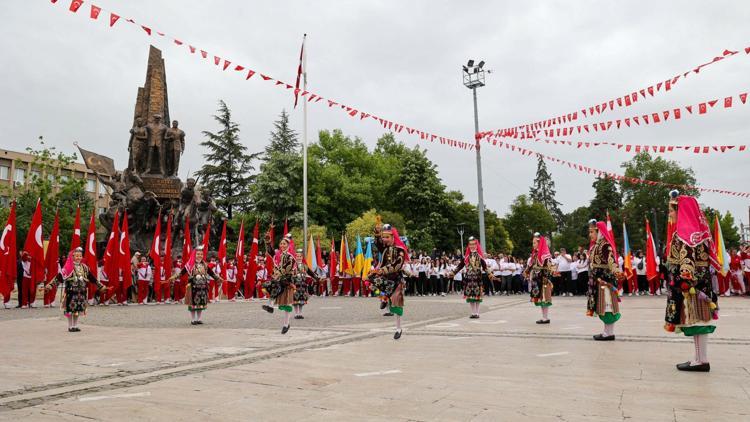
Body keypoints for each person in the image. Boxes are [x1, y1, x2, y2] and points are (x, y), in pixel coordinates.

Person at [664, 191, 719, 372]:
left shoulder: (686, 233)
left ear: (681, 211)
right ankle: (699, 358)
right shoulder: (695, 231)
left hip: (692, 286)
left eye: (672, 210)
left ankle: (701, 360)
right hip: (699, 284)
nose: (670, 214)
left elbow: (687, 258)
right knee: (697, 321)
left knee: (697, 321)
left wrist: (685, 275)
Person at [44, 248, 109, 332]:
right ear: (73, 256)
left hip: (81, 292)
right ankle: (70, 326)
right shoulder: (68, 267)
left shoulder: (85, 267)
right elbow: (59, 277)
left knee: (78, 309)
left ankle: (75, 325)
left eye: (80, 256)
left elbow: (92, 278)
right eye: (77, 256)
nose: (78, 257)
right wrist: (50, 285)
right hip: (71, 292)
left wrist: (100, 286)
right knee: (70, 309)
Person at [586, 220, 623, 341]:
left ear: (599, 232)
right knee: (603, 307)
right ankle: (607, 332)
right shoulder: (596, 245)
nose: (590, 234)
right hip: (598, 282)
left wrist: (617, 271)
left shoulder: (605, 245)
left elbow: (611, 261)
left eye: (592, 232)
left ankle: (609, 333)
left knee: (607, 307)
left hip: (605, 282)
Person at [370, 223, 408, 340]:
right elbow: (377, 244)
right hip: (386, 278)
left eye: (387, 237)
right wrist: (376, 233)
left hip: (396, 279)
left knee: (397, 305)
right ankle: (385, 296)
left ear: (392, 237)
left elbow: (397, 265)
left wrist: (382, 270)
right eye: (383, 237)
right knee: (369, 278)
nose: (384, 239)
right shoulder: (386, 249)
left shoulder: (400, 250)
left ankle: (398, 328)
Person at [169, 245, 224, 325]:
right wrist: (174, 277)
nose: (200, 256)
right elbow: (182, 272)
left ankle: (199, 319)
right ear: (195, 254)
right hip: (193, 286)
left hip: (202, 286)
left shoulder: (205, 264)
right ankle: (193, 319)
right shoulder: (190, 264)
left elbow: (211, 273)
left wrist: (218, 278)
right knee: (193, 303)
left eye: (201, 254)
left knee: (201, 303)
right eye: (198, 254)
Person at [449, 236, 493, 319]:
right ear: (469, 246)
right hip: (468, 278)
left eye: (474, 244)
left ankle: (477, 313)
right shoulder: (466, 257)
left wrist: (490, 274)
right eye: (470, 244)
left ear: (476, 245)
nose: (472, 246)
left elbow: (484, 267)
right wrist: (453, 272)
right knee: (471, 297)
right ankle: (473, 313)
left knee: (477, 296)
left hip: (477, 278)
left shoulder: (480, 257)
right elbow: (460, 266)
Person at [261, 233, 296, 334]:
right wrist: (268, 242)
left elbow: (288, 269)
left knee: (287, 304)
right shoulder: (278, 255)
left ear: (288, 245)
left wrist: (280, 275)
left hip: (287, 280)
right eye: (281, 243)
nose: (282, 245)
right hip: (279, 278)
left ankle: (286, 324)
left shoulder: (290, 256)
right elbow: (271, 252)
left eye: (284, 244)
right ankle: (270, 306)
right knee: (269, 286)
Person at [526, 233, 554, 323]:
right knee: (541, 299)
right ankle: (544, 317)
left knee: (545, 299)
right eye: (533, 243)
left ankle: (545, 318)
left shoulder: (545, 255)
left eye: (534, 243)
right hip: (536, 279)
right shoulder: (535, 254)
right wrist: (526, 272)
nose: (533, 245)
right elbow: (530, 265)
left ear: (539, 243)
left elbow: (550, 267)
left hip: (544, 279)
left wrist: (548, 276)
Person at [292, 249, 319, 319]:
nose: (298, 258)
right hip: (295, 284)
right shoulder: (293, 265)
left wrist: (316, 277)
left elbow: (310, 273)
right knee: (295, 299)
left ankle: (300, 313)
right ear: (295, 257)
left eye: (300, 256)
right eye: (297, 256)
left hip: (302, 284)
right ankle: (296, 313)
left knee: (301, 299)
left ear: (302, 257)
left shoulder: (305, 266)